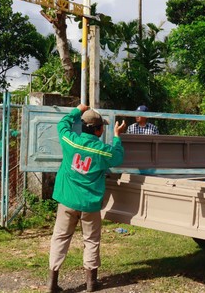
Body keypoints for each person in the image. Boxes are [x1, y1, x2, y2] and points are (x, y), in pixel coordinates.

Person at [47, 104, 126, 293]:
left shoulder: (70, 141)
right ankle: (91, 283)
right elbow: (117, 158)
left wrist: (77, 110)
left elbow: (62, 125)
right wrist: (117, 137)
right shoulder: (102, 151)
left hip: (67, 200)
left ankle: (52, 283)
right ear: (98, 130)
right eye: (102, 127)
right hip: (89, 204)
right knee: (91, 240)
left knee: (60, 238)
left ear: (83, 127)